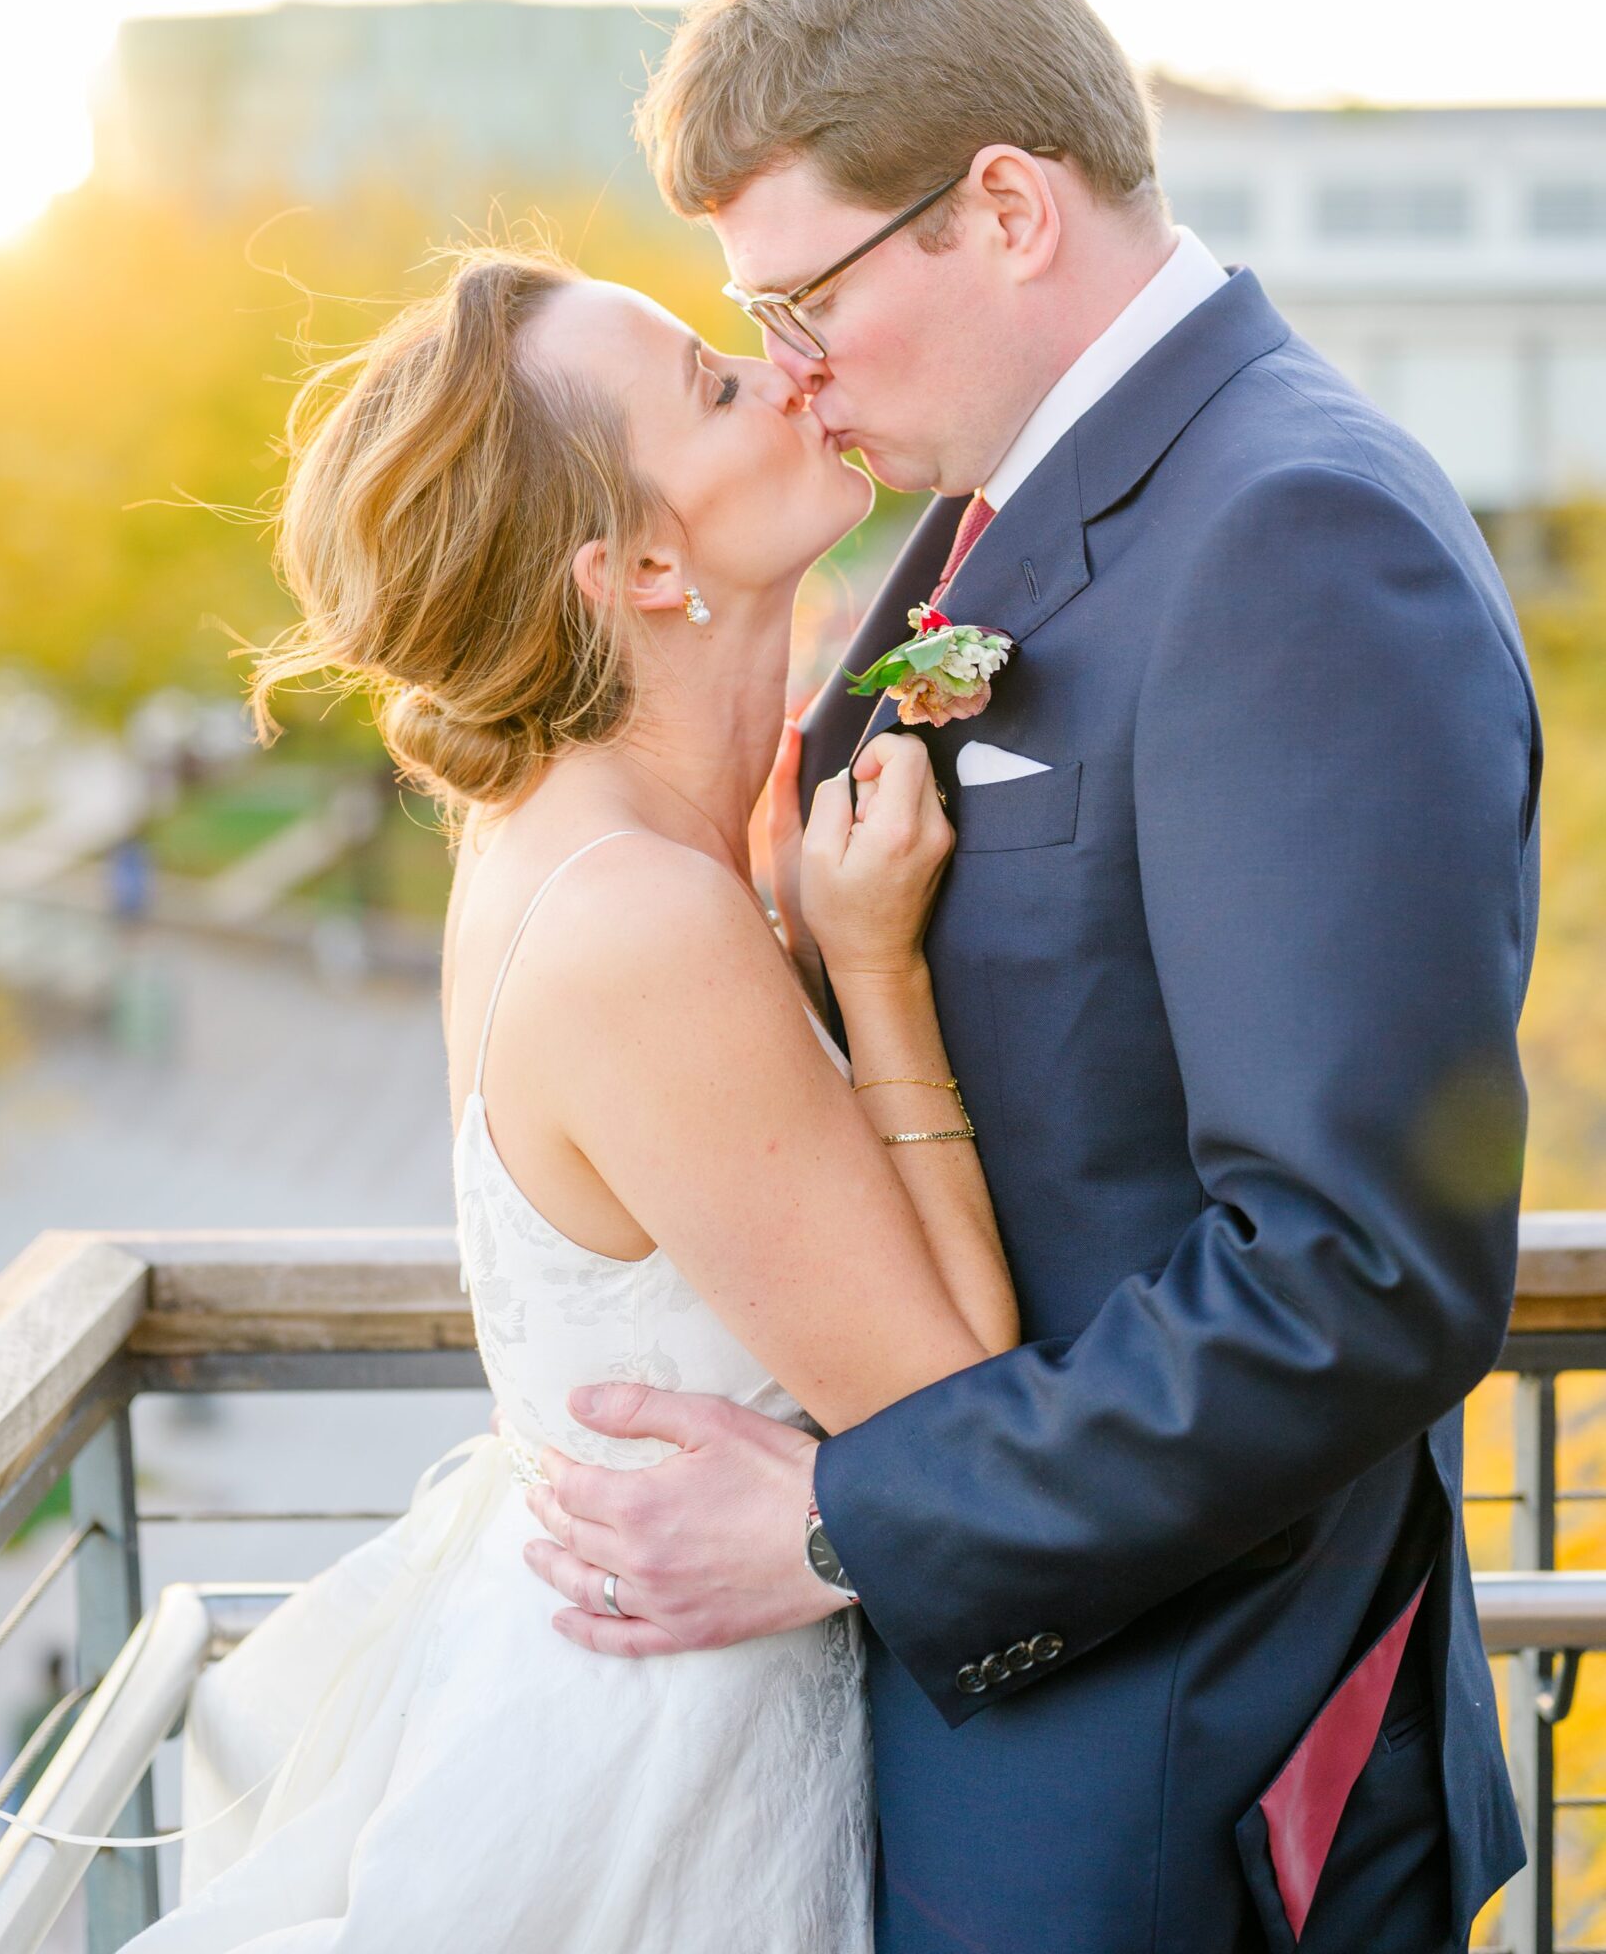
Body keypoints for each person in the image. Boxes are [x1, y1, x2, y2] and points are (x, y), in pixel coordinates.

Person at [528, 0, 1540, 1953]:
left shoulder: (1293, 536)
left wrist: (837, 1520)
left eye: (799, 299)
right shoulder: (1003, 507)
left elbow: (1354, 1274)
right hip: (980, 1739)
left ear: (1001, 207)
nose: (789, 373)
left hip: (1171, 1768)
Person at [123, 241, 1018, 1953]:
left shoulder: (578, 843)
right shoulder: (637, 919)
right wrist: (878, 969)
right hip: (654, 1788)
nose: (785, 367)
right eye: (712, 379)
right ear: (636, 565)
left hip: (613, 1667)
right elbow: (963, 1416)